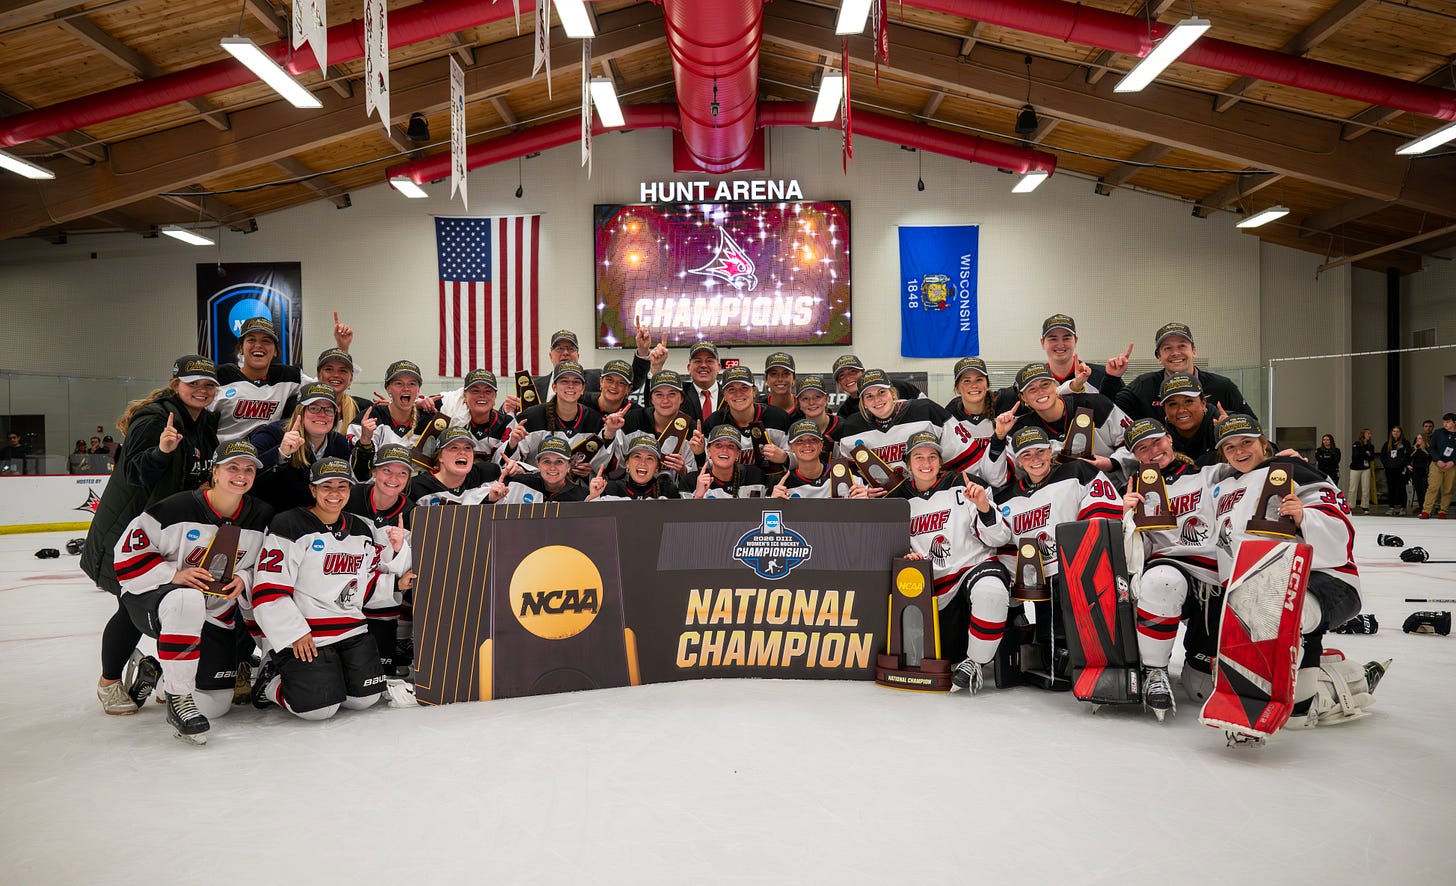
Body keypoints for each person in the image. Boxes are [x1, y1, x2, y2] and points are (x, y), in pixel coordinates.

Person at [1203, 414, 1378, 729]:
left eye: (1246, 442)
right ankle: (1327, 683)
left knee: (1280, 609)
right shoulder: (1223, 488)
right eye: (1229, 447)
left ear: (1264, 443)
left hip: (1325, 584)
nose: (1239, 451)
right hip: (1257, 596)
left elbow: (1341, 529)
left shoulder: (1294, 470)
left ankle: (1347, 684)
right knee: (1298, 715)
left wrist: (1304, 517)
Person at [112, 441, 274, 744]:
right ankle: (178, 698)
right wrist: (174, 574)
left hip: (216, 613)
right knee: (187, 596)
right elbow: (125, 555)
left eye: (249, 469)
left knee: (215, 706)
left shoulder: (261, 516)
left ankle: (155, 675)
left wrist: (243, 576)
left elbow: (264, 565)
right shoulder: (175, 508)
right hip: (156, 601)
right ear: (215, 472)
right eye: (233, 467)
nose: (242, 475)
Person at [86, 356, 221, 716]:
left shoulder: (205, 422)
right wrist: (161, 451)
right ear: (176, 384)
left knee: (174, 604)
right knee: (130, 608)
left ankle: (165, 675)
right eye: (194, 384)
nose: (202, 390)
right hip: (129, 533)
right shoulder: (155, 419)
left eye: (208, 385)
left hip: (169, 532)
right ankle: (109, 683)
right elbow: (133, 473)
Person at [249, 457, 391, 721]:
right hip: (308, 635)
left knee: (364, 699)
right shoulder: (289, 524)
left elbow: (363, 584)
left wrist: (396, 584)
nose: (335, 494)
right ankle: (271, 680)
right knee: (319, 709)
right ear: (313, 489)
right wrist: (294, 632)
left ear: (350, 490)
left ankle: (331, 676)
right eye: (327, 486)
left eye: (342, 486)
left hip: (351, 629)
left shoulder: (361, 528)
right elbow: (268, 588)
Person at [986, 426, 1124, 689]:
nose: (1035, 459)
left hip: (1078, 566)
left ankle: (1071, 655)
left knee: (1064, 586)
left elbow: (1104, 513)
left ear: (1051, 452)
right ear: (1018, 461)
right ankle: (1052, 656)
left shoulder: (1077, 472)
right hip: (1034, 576)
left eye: (1040, 451)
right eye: (1027, 455)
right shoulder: (1005, 497)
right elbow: (1001, 544)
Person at [1118, 419, 1223, 717]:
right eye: (1142, 448)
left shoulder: (1210, 474)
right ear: (1135, 456)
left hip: (1217, 580)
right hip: (1172, 575)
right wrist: (1126, 517)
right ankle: (1155, 671)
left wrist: (1280, 458)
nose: (1152, 451)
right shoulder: (1133, 490)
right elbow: (1137, 555)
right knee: (1160, 579)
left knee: (1201, 686)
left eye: (1156, 442)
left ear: (1169, 439)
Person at [892, 431, 1010, 694]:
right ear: (907, 463)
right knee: (946, 653)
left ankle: (975, 662)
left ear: (940, 461)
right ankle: (962, 656)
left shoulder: (965, 485)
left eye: (932, 456)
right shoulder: (897, 500)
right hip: (933, 589)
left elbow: (1000, 536)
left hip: (973, 568)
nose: (926, 462)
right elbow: (891, 548)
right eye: (919, 457)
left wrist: (983, 506)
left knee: (990, 590)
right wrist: (907, 559)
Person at [211, 315, 351, 443]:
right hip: (225, 456)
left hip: (267, 456)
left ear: (276, 351)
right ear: (241, 348)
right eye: (251, 340)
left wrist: (342, 347)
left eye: (266, 341)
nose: (258, 345)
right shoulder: (221, 376)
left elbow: (325, 387)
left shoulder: (289, 376)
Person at [346, 444, 415, 677]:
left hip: (383, 606)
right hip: (341, 600)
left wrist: (400, 549)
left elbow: (404, 575)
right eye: (387, 470)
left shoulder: (412, 513)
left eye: (402, 473)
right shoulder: (349, 497)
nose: (394, 478)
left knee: (379, 676)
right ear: (374, 472)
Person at [248, 383, 356, 512]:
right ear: (300, 411)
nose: (322, 415)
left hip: (317, 519)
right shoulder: (272, 434)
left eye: (328, 410)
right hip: (273, 518)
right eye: (314, 408)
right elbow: (247, 474)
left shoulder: (339, 443)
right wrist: (280, 454)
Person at [1115, 322, 1254, 422]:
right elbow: (1112, 410)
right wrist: (1113, 378)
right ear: (1158, 357)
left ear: (1194, 351)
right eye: (1167, 348)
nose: (1175, 353)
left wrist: (1228, 425)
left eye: (1182, 346)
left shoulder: (1222, 386)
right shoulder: (1143, 385)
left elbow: (1251, 424)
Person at [1008, 362, 1129, 474]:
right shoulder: (1021, 431)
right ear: (1023, 397)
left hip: (1111, 487)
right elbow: (1008, 475)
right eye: (1032, 389)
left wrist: (1111, 463)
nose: (1040, 392)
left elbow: (1135, 442)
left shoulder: (1097, 405)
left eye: (1045, 384)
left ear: (1056, 386)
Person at [832, 368, 951, 476]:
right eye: (869, 396)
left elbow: (960, 453)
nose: (877, 400)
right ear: (863, 403)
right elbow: (851, 474)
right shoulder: (851, 428)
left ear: (893, 393)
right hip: (882, 498)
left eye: (882, 392)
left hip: (927, 492)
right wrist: (864, 488)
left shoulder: (926, 410)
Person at [504, 360, 609, 475]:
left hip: (576, 489)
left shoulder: (595, 420)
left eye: (576, 382)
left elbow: (603, 467)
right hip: (535, 487)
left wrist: (589, 471)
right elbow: (508, 463)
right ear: (554, 387)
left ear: (583, 389)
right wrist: (513, 443)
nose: (570, 386)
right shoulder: (530, 418)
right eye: (564, 381)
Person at [701, 365, 793, 482]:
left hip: (774, 489)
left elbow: (801, 459)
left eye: (744, 388)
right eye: (731, 389)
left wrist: (785, 458)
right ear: (724, 394)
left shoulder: (777, 417)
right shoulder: (714, 422)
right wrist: (699, 453)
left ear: (754, 391)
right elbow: (706, 465)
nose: (738, 394)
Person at [605, 370, 698, 483]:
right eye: (659, 394)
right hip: (631, 494)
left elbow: (697, 478)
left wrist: (683, 470)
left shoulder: (691, 428)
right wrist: (610, 432)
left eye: (672, 394)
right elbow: (612, 468)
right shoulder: (632, 420)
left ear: (682, 398)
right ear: (651, 399)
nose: (665, 400)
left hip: (673, 496)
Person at [940, 357, 1013, 485]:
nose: (973, 385)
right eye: (966, 381)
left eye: (979, 379)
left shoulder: (1005, 403)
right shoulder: (950, 416)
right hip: (967, 490)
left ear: (987, 384)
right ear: (957, 388)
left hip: (1004, 487)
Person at [434, 369, 517, 463]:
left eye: (488, 391)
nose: (482, 395)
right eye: (475, 391)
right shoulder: (451, 415)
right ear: (464, 395)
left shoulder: (507, 423)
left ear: (495, 397)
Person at [770, 420, 870, 499]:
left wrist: (864, 500)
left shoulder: (849, 475)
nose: (807, 444)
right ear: (790, 446)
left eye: (813, 439)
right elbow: (768, 520)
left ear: (821, 444)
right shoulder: (780, 484)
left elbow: (866, 515)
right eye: (800, 441)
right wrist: (773, 503)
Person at [410, 428, 504, 506]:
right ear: (440, 457)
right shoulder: (417, 487)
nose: (463, 452)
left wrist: (516, 468)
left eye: (467, 448)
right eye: (454, 447)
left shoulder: (487, 473)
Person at [484, 435, 589, 503]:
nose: (552, 467)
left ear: (569, 466)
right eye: (546, 461)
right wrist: (491, 500)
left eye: (559, 462)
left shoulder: (581, 496)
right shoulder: (518, 483)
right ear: (538, 464)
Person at [684, 425, 768, 498]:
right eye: (718, 445)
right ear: (708, 451)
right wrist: (698, 497)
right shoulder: (691, 482)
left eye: (730, 446)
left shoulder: (756, 476)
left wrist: (774, 500)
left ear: (738, 454)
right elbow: (682, 516)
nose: (724, 450)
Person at [1156, 372, 1222, 463]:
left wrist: (1232, 437)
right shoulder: (1161, 438)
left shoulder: (1222, 424)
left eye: (1188, 401)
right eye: (1173, 404)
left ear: (1203, 403)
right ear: (1164, 409)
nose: (1181, 410)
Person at [832, 354, 923, 418]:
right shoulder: (844, 413)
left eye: (853, 371)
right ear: (839, 383)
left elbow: (927, 409)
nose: (848, 378)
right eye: (842, 376)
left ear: (863, 372)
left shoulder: (901, 387)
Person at [313, 347, 371, 444]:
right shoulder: (302, 406)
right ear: (319, 375)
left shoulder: (364, 409)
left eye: (343, 371)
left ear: (351, 379)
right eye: (329, 369)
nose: (336, 375)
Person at [593, 437, 683, 500]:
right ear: (627, 463)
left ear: (657, 467)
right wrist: (593, 497)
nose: (643, 462)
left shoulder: (668, 491)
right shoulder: (611, 489)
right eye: (637, 456)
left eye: (650, 458)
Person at [1419, 413, 1456, 519]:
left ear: (1454, 423)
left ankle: (1443, 511)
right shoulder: (1438, 433)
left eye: (1448, 422)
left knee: (1448, 489)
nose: (1445, 424)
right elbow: (1431, 447)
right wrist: (1437, 459)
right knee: (1433, 487)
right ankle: (1426, 511)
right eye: (1444, 421)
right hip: (1437, 464)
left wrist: (1453, 461)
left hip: (1451, 465)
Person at [680, 341, 723, 424]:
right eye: (698, 361)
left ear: (718, 367)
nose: (703, 365)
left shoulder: (730, 395)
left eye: (709, 361)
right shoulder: (679, 394)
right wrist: (656, 367)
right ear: (689, 368)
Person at [1380, 426, 1411, 515]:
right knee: (1391, 489)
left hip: (1401, 470)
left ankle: (1403, 508)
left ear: (1401, 433)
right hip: (1390, 470)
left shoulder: (1405, 443)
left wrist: (1401, 464)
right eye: (1394, 431)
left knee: (1401, 488)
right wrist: (1387, 465)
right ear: (1391, 433)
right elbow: (1383, 456)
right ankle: (1391, 507)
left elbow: (1407, 455)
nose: (1396, 433)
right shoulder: (1387, 444)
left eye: (1397, 431)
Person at [1346, 428, 1375, 514]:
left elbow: (1372, 457)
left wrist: (1366, 455)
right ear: (1363, 434)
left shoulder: (1371, 446)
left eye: (1370, 433)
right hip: (1355, 468)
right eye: (1368, 433)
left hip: (1366, 468)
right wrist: (1366, 454)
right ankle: (1350, 505)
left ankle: (1365, 506)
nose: (1370, 435)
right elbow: (1356, 455)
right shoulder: (1356, 444)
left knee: (1365, 487)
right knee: (1353, 488)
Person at [1409, 433, 1431, 515]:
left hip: (1425, 472)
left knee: (1425, 491)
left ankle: (1427, 509)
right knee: (1419, 491)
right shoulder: (1412, 449)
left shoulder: (1428, 450)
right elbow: (1405, 459)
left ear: (1424, 439)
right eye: (1417, 438)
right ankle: (1422, 508)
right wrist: (1408, 465)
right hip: (1415, 472)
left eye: (1420, 438)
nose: (1418, 440)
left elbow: (1432, 460)